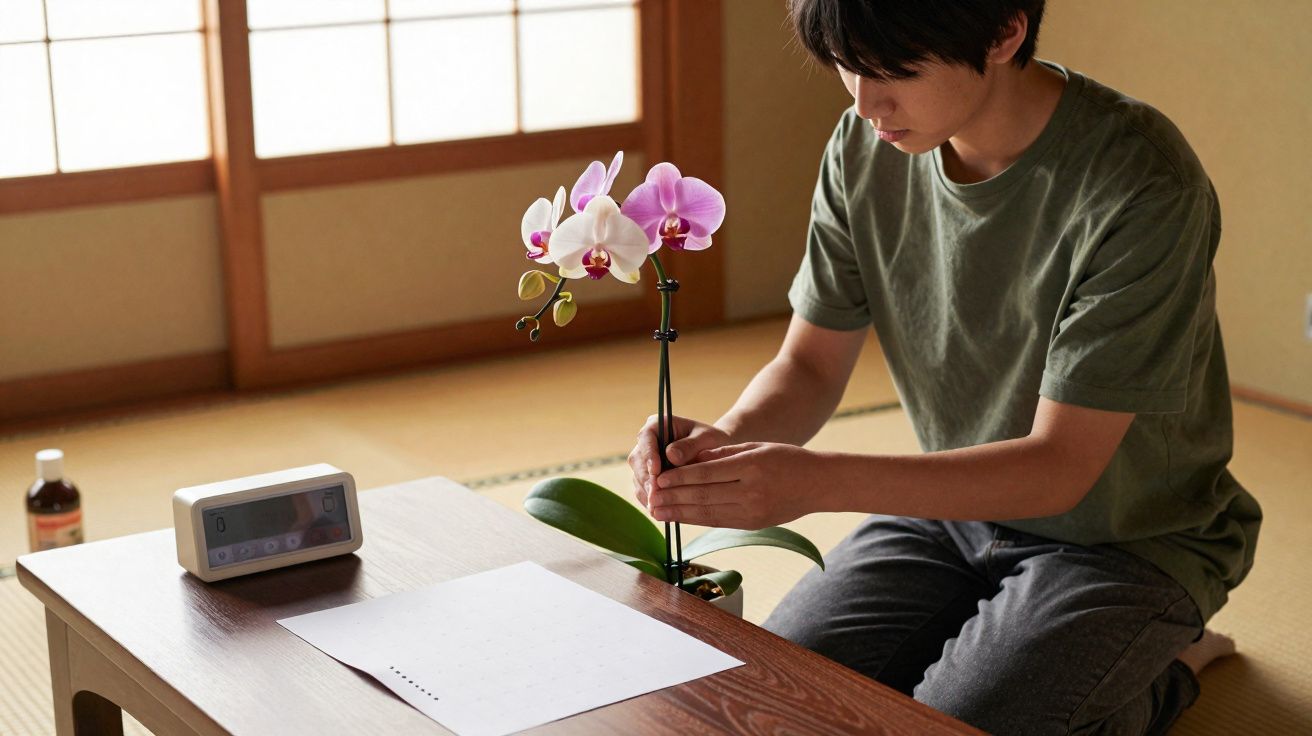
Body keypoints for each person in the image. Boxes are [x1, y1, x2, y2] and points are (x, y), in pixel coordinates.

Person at [626, 1, 1261, 733]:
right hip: (951, 508)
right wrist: (724, 445)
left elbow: (1061, 467)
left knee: (955, 722)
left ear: (1003, 31)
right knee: (783, 693)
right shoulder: (866, 147)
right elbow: (807, 364)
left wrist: (812, 482)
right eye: (847, 68)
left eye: (894, 72)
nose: (866, 104)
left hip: (1127, 539)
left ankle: (1171, 667)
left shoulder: (1141, 182)